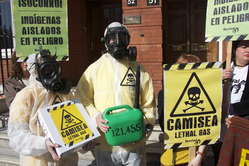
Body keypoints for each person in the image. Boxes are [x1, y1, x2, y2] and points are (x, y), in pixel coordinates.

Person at [77, 22, 156, 166]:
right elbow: (82, 97)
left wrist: (145, 124)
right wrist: (95, 116)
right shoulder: (94, 69)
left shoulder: (139, 70)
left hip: (133, 142)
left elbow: (148, 102)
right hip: (105, 142)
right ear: (106, 42)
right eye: (113, 38)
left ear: (128, 41)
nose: (117, 42)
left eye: (122, 38)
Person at [8, 50, 79, 166]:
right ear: (35, 71)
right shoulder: (26, 96)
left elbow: (78, 128)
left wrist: (84, 144)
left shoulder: (66, 94)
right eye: (45, 69)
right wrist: (43, 144)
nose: (51, 73)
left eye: (53, 68)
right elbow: (16, 136)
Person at [158, 53, 207, 166]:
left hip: (194, 159)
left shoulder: (203, 95)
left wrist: (199, 155)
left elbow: (207, 127)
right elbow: (164, 125)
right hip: (170, 159)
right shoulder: (165, 95)